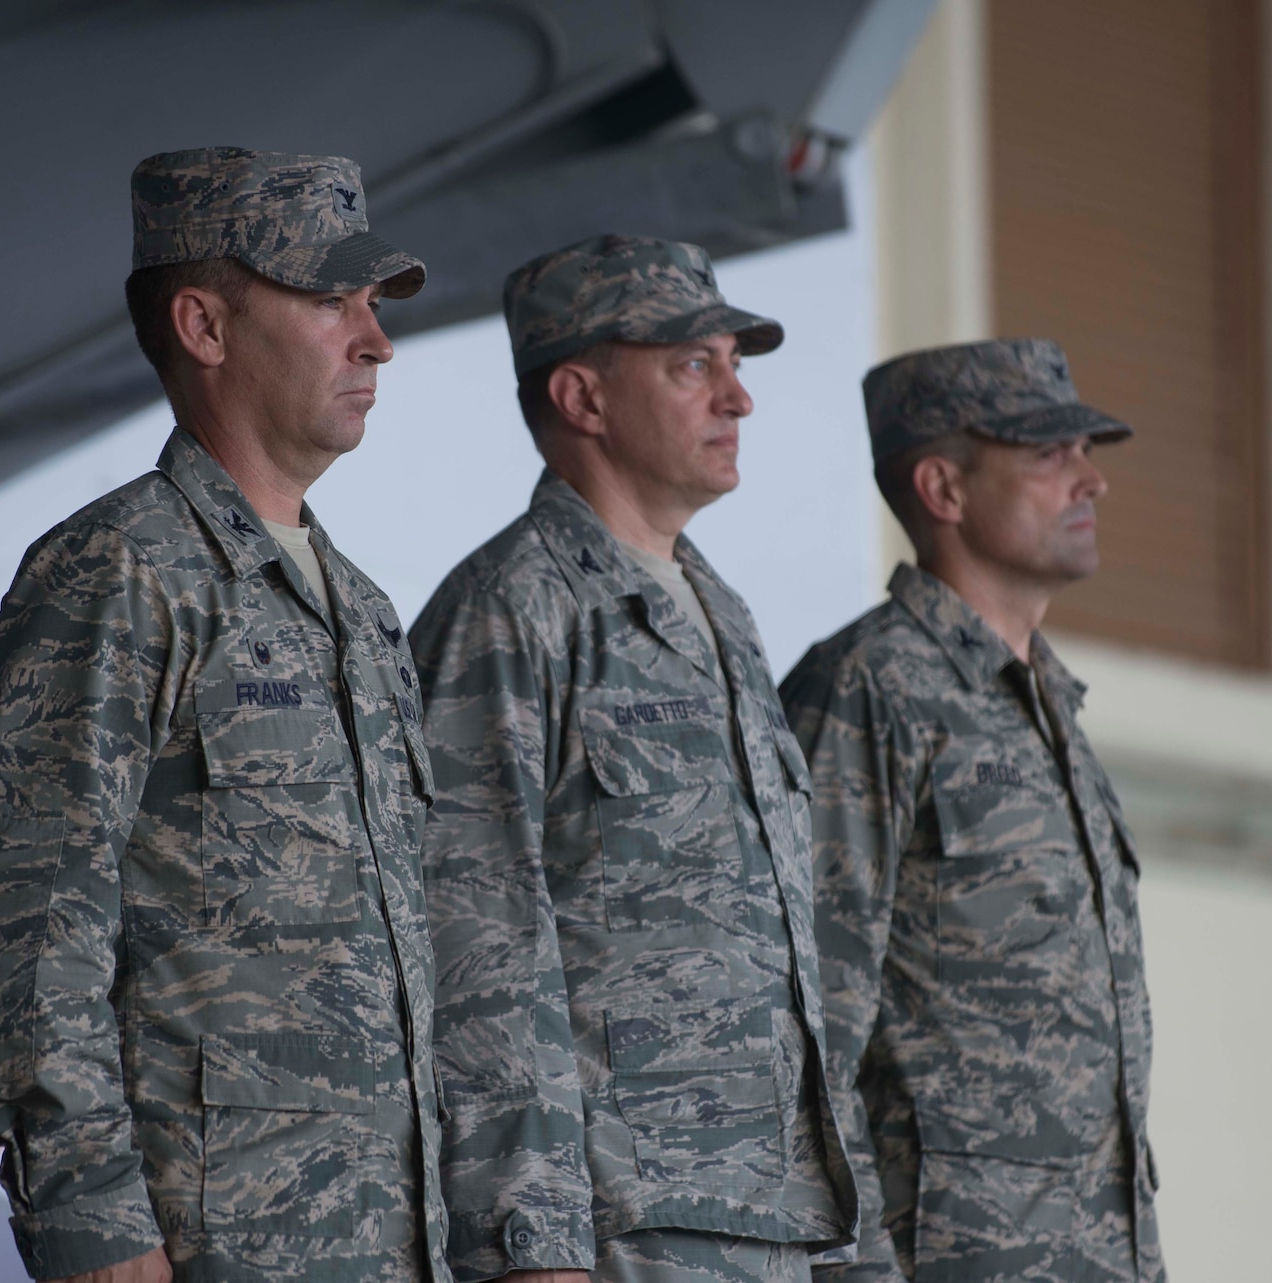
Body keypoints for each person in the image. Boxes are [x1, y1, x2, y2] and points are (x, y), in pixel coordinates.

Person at [0, 148, 448, 1283]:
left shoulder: (360, 609)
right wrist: (94, 1222)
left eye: (373, 303)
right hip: (217, 1245)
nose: (375, 340)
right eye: (328, 299)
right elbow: (18, 918)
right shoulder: (116, 571)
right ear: (204, 326)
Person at [409, 234, 857, 1283]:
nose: (736, 399)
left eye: (734, 366)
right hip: (617, 1233)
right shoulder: (512, 608)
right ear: (583, 397)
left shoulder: (726, 618)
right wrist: (531, 1243)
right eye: (692, 365)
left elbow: (790, 961)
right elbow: (475, 935)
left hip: (774, 1226)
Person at [778, 340, 1162, 1282]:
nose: (1091, 483)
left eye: (1086, 453)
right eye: (1047, 455)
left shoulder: (1050, 706)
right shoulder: (870, 686)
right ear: (943, 490)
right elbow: (805, 1031)